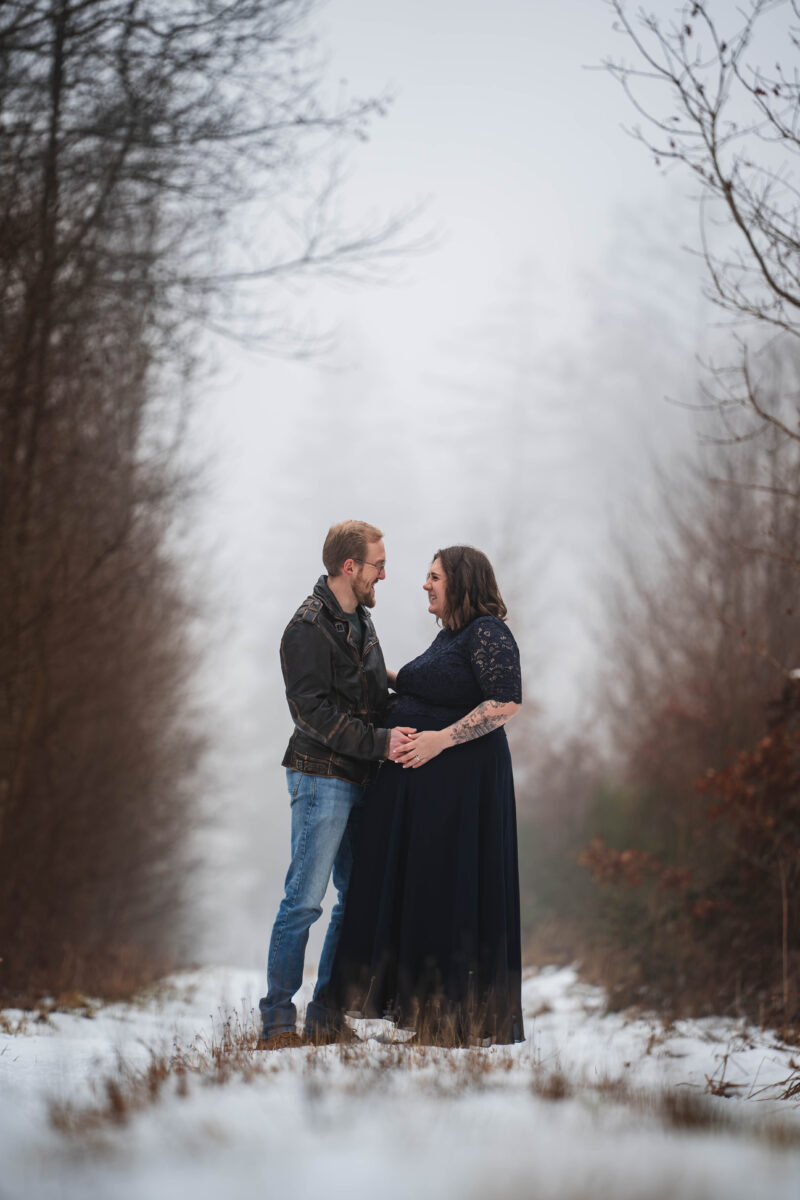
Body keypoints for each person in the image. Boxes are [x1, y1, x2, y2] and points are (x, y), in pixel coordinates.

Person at [317, 545, 525, 1045]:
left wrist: (440, 740)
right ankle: (425, 1013)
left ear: (461, 581)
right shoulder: (450, 638)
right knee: (425, 896)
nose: (425, 585)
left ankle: (451, 1022)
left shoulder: (488, 632)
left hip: (461, 793)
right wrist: (352, 667)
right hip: (425, 796)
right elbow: (416, 685)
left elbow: (506, 702)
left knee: (450, 894)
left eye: (434, 577)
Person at [258, 521, 415, 1050]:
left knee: (353, 899)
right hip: (320, 777)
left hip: (360, 779)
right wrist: (382, 742)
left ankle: (326, 1014)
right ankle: (277, 1022)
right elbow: (314, 715)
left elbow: (372, 699)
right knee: (303, 901)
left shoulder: (363, 622)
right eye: (378, 565)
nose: (384, 574)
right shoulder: (305, 628)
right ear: (350, 567)